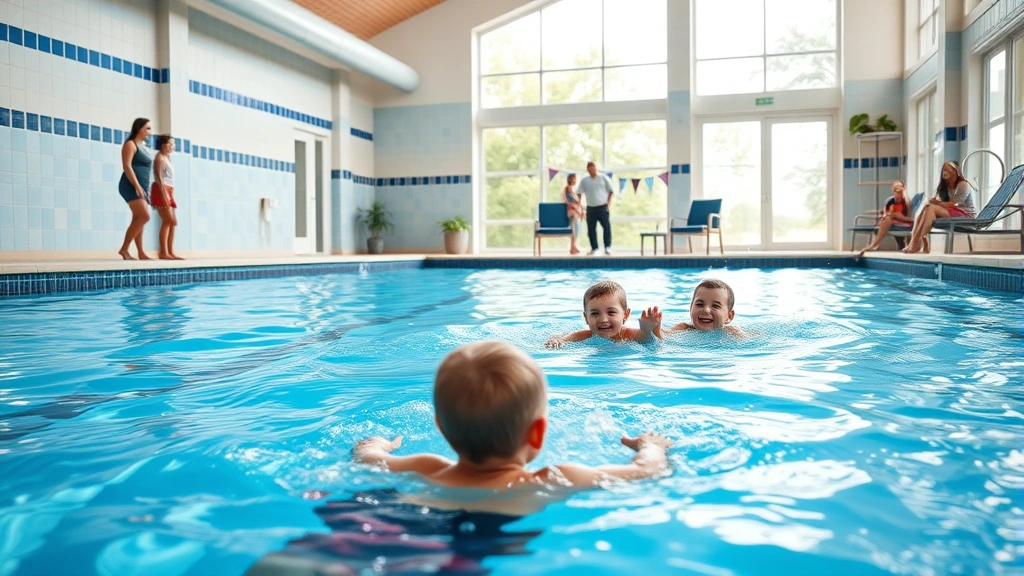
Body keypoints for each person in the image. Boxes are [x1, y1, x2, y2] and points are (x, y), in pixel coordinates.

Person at [353, 341, 673, 490]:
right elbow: (647, 472)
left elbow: (366, 456)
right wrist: (650, 445)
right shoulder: (552, 479)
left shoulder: (425, 467)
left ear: (441, 428)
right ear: (537, 433)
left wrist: (377, 444)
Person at [544, 280, 662, 347]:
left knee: (664, 333)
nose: (603, 319)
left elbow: (648, 341)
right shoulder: (586, 335)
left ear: (625, 315)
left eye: (611, 312)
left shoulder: (628, 334)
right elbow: (562, 338)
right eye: (595, 314)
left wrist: (647, 330)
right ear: (586, 318)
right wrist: (555, 340)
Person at [903, 161, 975, 254]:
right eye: (944, 169)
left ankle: (917, 242)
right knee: (927, 208)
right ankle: (916, 241)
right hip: (952, 212)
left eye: (948, 169)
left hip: (965, 214)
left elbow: (953, 204)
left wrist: (936, 202)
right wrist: (934, 201)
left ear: (956, 171)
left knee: (930, 208)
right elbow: (943, 204)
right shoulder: (946, 187)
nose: (945, 171)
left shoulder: (963, 184)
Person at [117, 118, 153, 260]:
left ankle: (141, 252)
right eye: (148, 128)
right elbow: (127, 166)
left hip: (141, 185)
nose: (150, 131)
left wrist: (144, 187)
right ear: (139, 128)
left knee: (138, 218)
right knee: (144, 216)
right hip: (130, 184)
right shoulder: (130, 144)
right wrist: (137, 186)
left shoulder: (142, 145)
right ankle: (124, 249)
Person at [662, 279, 745, 336]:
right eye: (699, 304)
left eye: (715, 306)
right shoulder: (684, 328)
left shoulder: (731, 333)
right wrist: (653, 327)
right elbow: (663, 336)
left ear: (729, 316)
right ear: (690, 309)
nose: (706, 310)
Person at [859, 180, 915, 256]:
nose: (899, 194)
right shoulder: (891, 201)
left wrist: (896, 215)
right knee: (886, 220)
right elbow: (886, 213)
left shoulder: (906, 202)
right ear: (894, 191)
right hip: (892, 221)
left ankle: (874, 245)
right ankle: (874, 245)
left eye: (901, 191)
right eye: (897, 191)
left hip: (904, 222)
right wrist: (891, 215)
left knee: (887, 220)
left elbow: (907, 216)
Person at [151, 134, 183, 260]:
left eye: (173, 144)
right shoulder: (160, 158)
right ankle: (163, 252)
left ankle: (170, 251)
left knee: (173, 222)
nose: (172, 147)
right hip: (161, 190)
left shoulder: (167, 158)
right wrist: (165, 195)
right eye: (170, 144)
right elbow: (158, 178)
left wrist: (171, 195)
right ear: (163, 145)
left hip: (169, 191)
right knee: (168, 221)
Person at [577, 161, 615, 255]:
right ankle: (594, 248)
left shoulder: (603, 178)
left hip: (602, 206)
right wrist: (580, 205)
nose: (591, 172)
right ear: (587, 170)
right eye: (589, 170)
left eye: (593, 169)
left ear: (596, 168)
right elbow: (579, 192)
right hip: (590, 208)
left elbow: (611, 191)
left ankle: (607, 247)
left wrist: (608, 203)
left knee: (606, 227)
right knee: (591, 229)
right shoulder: (584, 180)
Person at [564, 173, 584, 255]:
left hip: (576, 212)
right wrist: (578, 210)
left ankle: (574, 246)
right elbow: (568, 203)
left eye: (575, 179)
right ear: (569, 179)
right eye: (572, 179)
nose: (574, 181)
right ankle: (572, 247)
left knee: (577, 228)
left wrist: (582, 211)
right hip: (571, 212)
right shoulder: (567, 189)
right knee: (574, 228)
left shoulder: (574, 191)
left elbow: (579, 203)